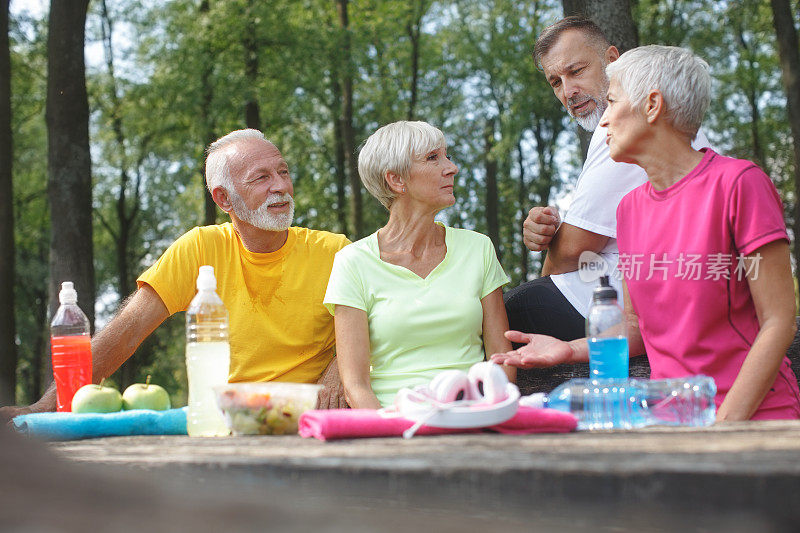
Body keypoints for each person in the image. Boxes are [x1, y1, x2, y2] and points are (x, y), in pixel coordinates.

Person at [493, 46, 800, 420]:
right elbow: (638, 329)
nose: (603, 121)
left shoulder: (740, 184)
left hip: (754, 419)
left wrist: (723, 428)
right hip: (672, 416)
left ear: (652, 105)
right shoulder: (631, 209)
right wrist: (568, 348)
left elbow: (778, 321)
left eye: (612, 102)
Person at [1, 129, 349, 419]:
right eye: (262, 178)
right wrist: (44, 408)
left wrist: (339, 369)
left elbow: (381, 325)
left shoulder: (335, 251)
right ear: (223, 199)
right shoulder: (199, 248)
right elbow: (127, 332)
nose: (281, 187)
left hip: (317, 421)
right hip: (230, 423)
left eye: (283, 172)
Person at [503, 16, 710, 392]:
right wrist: (550, 229)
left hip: (611, 312)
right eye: (555, 82)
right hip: (630, 328)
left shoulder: (637, 138)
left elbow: (571, 253)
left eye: (576, 70)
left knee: (495, 313)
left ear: (614, 60)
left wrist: (551, 262)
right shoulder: (635, 202)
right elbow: (636, 324)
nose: (568, 91)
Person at [323, 121, 514, 408]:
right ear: (396, 180)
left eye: (446, 156)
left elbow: (501, 357)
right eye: (433, 158)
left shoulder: (478, 248)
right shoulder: (352, 262)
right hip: (393, 427)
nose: (451, 168)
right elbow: (355, 387)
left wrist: (488, 415)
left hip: (471, 418)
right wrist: (394, 435)